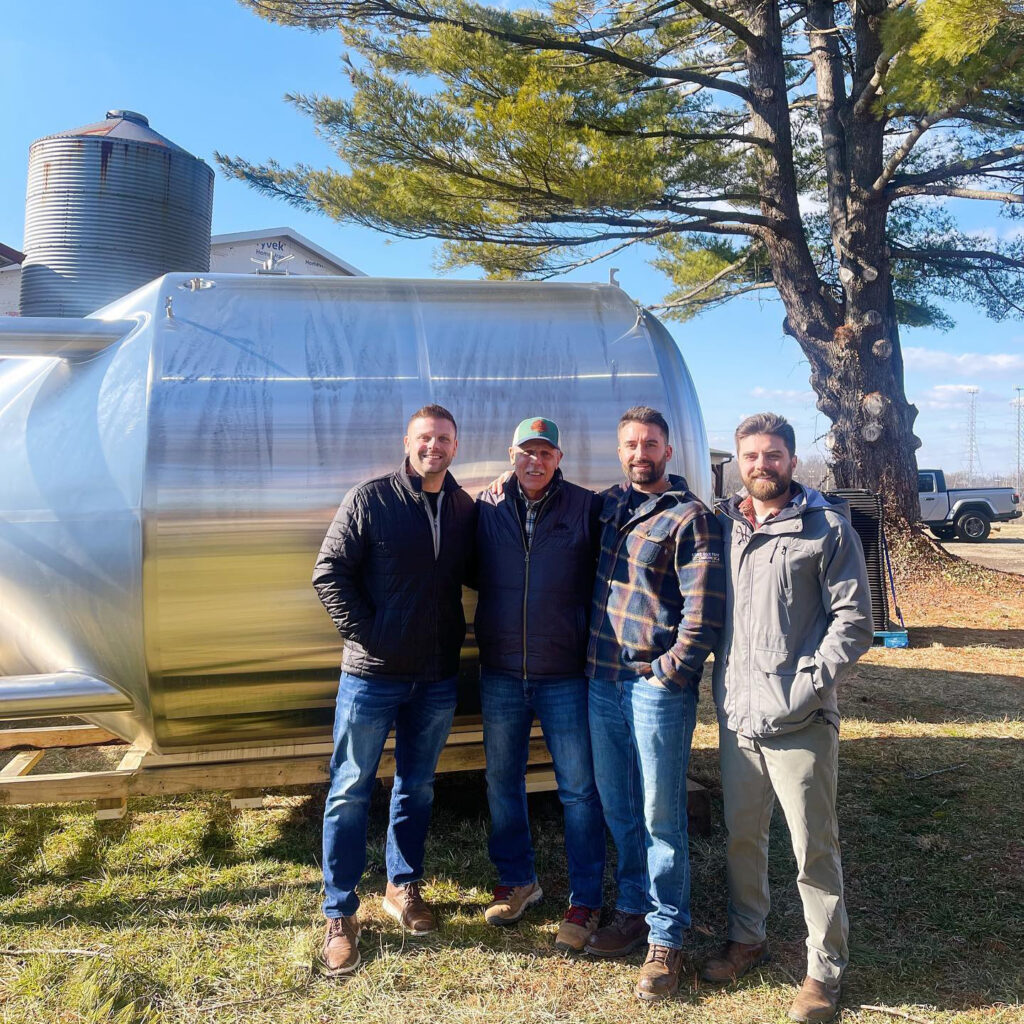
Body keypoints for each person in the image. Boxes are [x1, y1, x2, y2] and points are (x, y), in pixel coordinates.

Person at [702, 412, 872, 1023]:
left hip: (799, 720)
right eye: (750, 456)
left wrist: (806, 688)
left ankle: (823, 970)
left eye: (773, 455)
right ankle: (748, 938)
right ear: (738, 462)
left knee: (812, 849)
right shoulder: (722, 526)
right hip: (738, 719)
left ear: (792, 460)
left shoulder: (826, 529)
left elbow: (854, 623)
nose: (761, 466)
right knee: (744, 836)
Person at [312, 404, 475, 976]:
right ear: (407, 441)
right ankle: (339, 911)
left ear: (456, 446)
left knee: (418, 786)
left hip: (435, 676)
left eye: (444, 439)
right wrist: (370, 634)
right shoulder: (371, 498)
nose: (434, 446)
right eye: (425, 437)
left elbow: (482, 571)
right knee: (351, 787)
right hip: (371, 675)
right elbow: (329, 572)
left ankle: (402, 886)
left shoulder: (462, 508)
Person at [585, 405, 725, 1001]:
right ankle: (634, 907)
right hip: (599, 678)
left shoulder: (692, 518)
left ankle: (667, 936)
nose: (639, 453)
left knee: (661, 815)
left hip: (652, 687)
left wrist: (671, 673)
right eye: (630, 444)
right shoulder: (609, 505)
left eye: (650, 444)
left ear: (669, 451)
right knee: (618, 806)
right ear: (620, 451)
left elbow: (704, 611)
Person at [474, 416, 606, 952]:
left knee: (577, 790)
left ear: (559, 457)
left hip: (563, 672)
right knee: (502, 781)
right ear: (511, 454)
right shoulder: (482, 507)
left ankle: (586, 899)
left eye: (546, 452)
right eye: (527, 451)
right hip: (502, 671)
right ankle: (517, 881)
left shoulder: (586, 506)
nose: (536, 460)